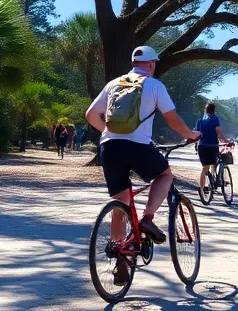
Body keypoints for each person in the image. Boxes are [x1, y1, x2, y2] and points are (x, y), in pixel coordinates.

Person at [85, 45, 200, 285]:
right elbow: (171, 118)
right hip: (138, 146)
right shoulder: (155, 85)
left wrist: (109, 132)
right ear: (151, 64)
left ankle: (120, 257)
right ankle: (147, 219)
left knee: (121, 202)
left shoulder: (114, 84)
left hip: (110, 147)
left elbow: (90, 114)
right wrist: (189, 134)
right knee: (165, 175)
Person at [194, 103, 230, 196]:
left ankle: (201, 190)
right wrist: (227, 141)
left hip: (201, 147)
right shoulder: (215, 119)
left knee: (205, 167)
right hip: (213, 146)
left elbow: (196, 134)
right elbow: (219, 134)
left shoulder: (200, 120)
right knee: (214, 163)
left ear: (205, 110)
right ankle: (213, 181)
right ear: (214, 110)